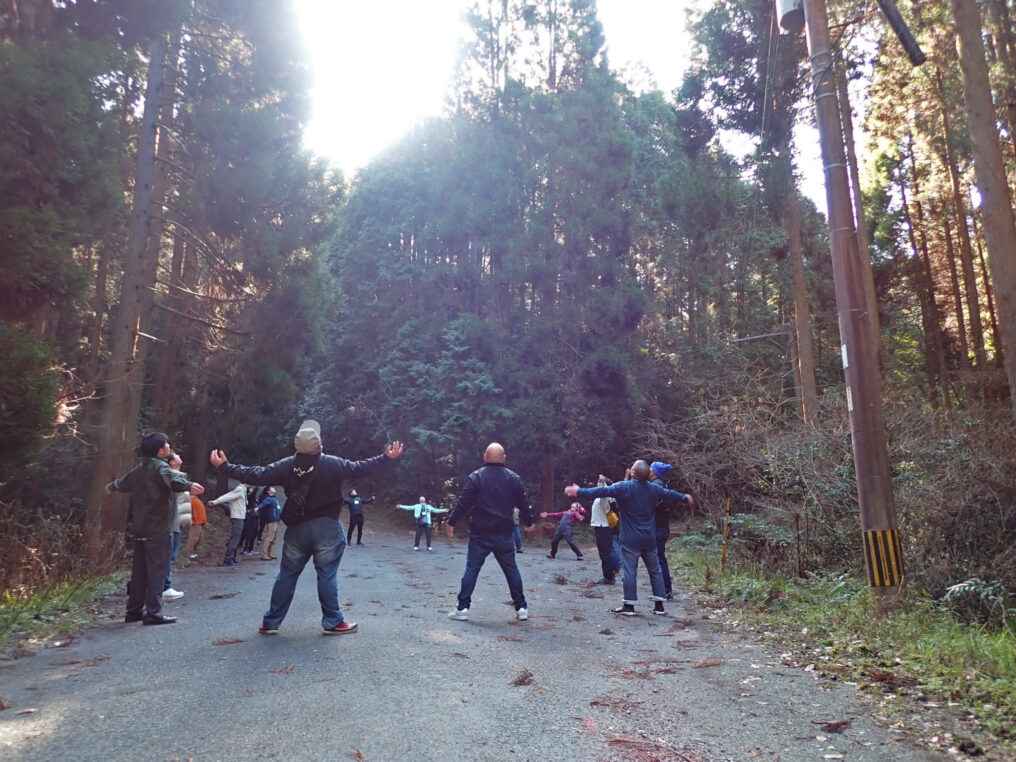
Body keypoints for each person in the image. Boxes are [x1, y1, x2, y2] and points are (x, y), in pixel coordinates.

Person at [210, 419, 404, 636]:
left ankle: (271, 622)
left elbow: (257, 474)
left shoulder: (285, 466)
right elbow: (362, 468)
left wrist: (225, 467)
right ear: (320, 445)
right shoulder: (333, 464)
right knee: (327, 575)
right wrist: (386, 458)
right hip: (327, 528)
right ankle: (333, 622)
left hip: (297, 529)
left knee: (287, 575)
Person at [565, 460, 692, 616]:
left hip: (630, 539)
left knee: (630, 572)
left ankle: (629, 606)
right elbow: (670, 494)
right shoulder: (654, 489)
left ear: (633, 473)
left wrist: (578, 491)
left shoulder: (624, 487)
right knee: (655, 570)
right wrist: (685, 497)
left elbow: (600, 492)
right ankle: (659, 606)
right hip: (649, 538)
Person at [106, 432, 204, 625]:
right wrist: (190, 485)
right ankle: (154, 613)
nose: (169, 447)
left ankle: (133, 611)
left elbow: (122, 483)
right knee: (157, 571)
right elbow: (174, 481)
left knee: (139, 572)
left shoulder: (140, 469)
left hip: (141, 528)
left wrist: (111, 486)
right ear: (160, 450)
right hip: (159, 528)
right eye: (167, 445)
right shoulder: (161, 467)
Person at [445, 442, 534, 622]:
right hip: (504, 533)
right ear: (504, 458)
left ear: (484, 457)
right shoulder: (513, 478)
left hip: (480, 533)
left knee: (472, 569)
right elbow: (523, 503)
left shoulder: (476, 477)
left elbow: (463, 503)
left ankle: (462, 609)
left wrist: (451, 522)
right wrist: (530, 521)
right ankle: (521, 608)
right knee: (511, 570)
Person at [649, 461, 677, 601]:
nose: (648, 470)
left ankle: (664, 591)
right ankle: (664, 590)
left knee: (659, 560)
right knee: (659, 559)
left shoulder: (656, 485)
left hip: (657, 527)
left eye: (650, 468)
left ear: (655, 472)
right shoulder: (663, 484)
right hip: (662, 526)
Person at [589, 475, 621, 585]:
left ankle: (609, 577)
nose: (597, 486)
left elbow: (605, 490)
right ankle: (609, 575)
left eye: (599, 484)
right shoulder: (600, 496)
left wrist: (603, 482)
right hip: (601, 526)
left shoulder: (606, 496)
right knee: (605, 553)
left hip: (604, 527)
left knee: (605, 553)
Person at [207, 482, 248, 566]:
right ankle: (228, 559)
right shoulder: (240, 489)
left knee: (236, 538)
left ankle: (232, 558)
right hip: (237, 517)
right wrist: (215, 502)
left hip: (240, 516)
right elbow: (228, 496)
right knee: (235, 538)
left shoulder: (243, 490)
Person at [257, 487, 281, 560]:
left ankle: (270, 552)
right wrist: (256, 508)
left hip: (276, 519)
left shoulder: (274, 498)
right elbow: (262, 505)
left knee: (273, 538)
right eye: (272, 488)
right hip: (272, 520)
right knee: (270, 537)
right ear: (268, 491)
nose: (274, 488)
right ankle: (264, 554)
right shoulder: (268, 498)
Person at [185, 493, 207, 559]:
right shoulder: (191, 500)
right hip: (195, 522)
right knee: (193, 538)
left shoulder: (197, 499)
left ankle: (193, 552)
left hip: (201, 522)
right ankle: (189, 553)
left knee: (199, 538)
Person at [239, 487, 261, 555]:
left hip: (256, 517)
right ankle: (245, 549)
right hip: (250, 517)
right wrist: (258, 485)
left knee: (254, 534)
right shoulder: (249, 497)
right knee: (249, 534)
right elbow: (253, 493)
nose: (251, 490)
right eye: (250, 489)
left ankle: (250, 549)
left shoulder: (255, 499)